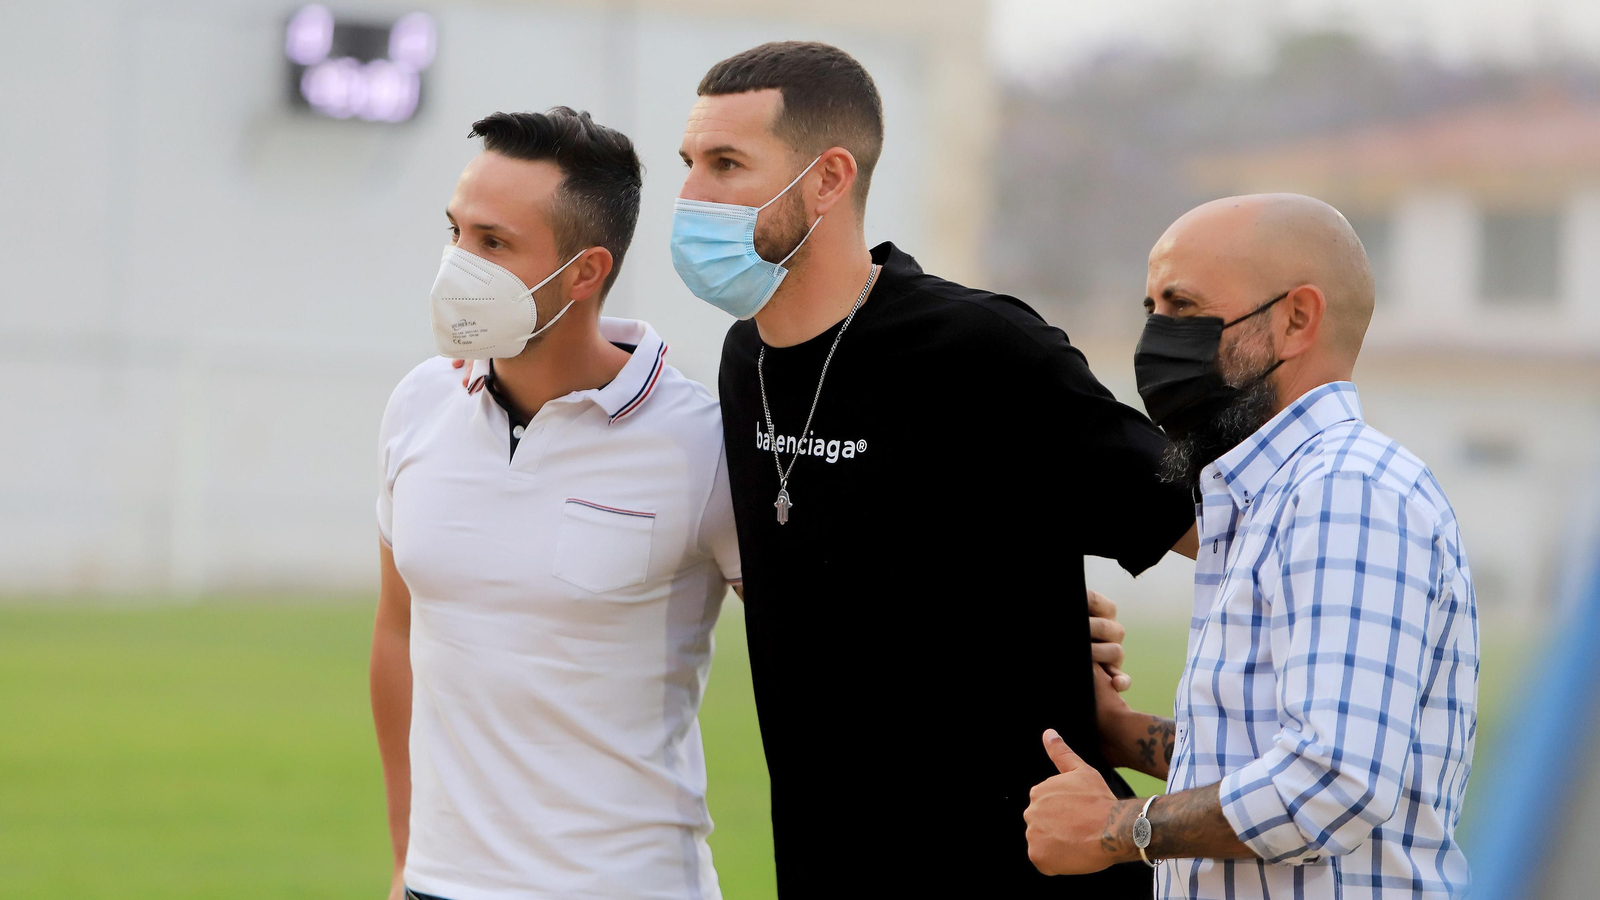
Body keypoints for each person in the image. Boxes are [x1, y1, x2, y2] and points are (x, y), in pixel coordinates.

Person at [671, 42, 1199, 897]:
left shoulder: (982, 350)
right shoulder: (746, 361)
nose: (692, 195)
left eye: (727, 164)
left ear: (828, 178)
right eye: (689, 163)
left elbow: (1217, 528)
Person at [1022, 194, 1479, 900]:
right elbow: (1267, 755)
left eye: (1183, 307)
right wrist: (1117, 731)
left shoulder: (1344, 492)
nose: (1158, 339)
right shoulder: (1265, 499)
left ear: (1297, 317)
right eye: (1152, 310)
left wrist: (1120, 827)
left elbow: (1333, 781)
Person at [370, 108, 742, 900]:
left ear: (584, 273)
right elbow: (398, 630)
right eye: (456, 231)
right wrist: (406, 858)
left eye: (494, 244)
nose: (457, 264)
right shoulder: (416, 405)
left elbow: (830, 653)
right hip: (441, 886)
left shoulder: (701, 443)